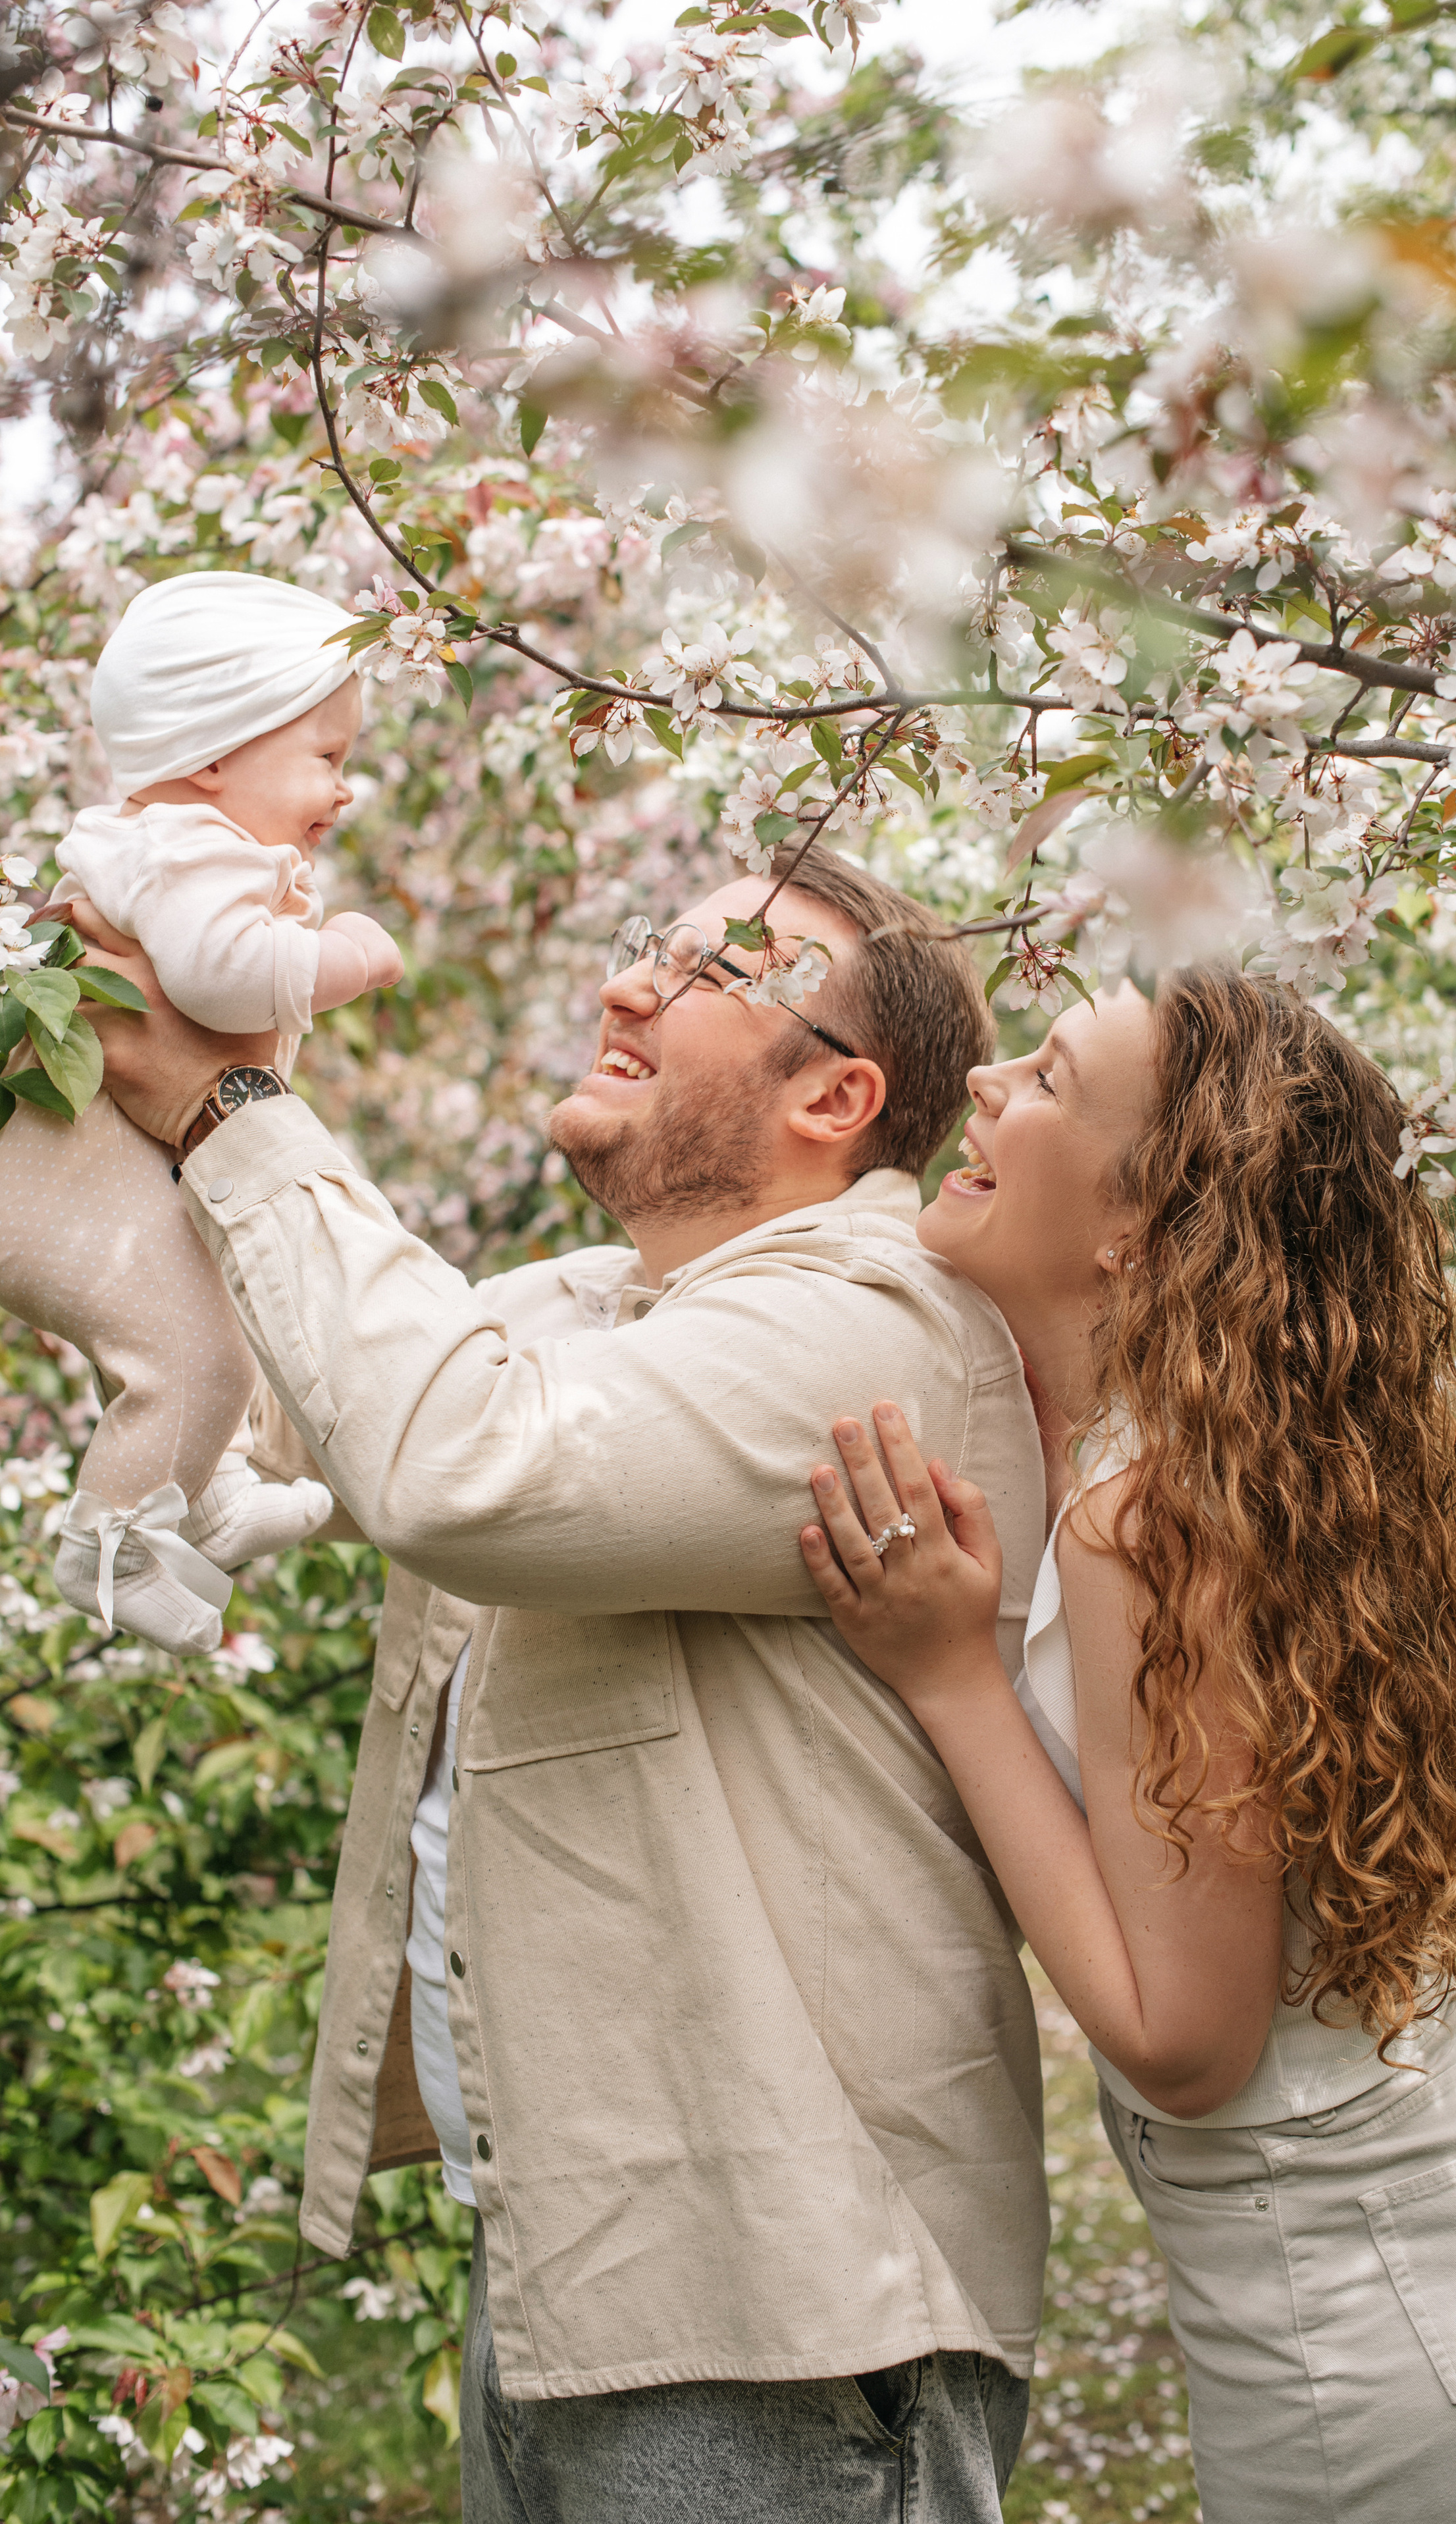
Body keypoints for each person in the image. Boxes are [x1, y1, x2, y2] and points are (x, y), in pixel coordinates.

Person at [72, 841, 1049, 2524]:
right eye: (644, 944)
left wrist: (236, 1111)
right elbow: (325, 1369)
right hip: (580, 2269)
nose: (625, 990)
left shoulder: (873, 1333)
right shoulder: (611, 1305)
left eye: (709, 973)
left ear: (838, 1099)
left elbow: (459, 1464)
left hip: (780, 2320)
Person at [798, 966, 1456, 2524]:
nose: (980, 1081)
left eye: (1045, 1079)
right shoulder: (1172, 1451)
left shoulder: (1151, 1515)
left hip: (1363, 2280)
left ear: (1136, 1229)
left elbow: (1184, 2041)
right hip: (1401, 2204)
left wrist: (949, 1675)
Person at [1, 573, 403, 1655]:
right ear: (215, 757)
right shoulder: (192, 848)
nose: (346, 789)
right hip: (53, 1171)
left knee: (207, 1309)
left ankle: (206, 1495)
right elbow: (223, 975)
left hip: (85, 1170)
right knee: (194, 1353)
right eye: (328, 757)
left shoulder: (183, 844)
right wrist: (348, 956)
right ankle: (110, 1544)